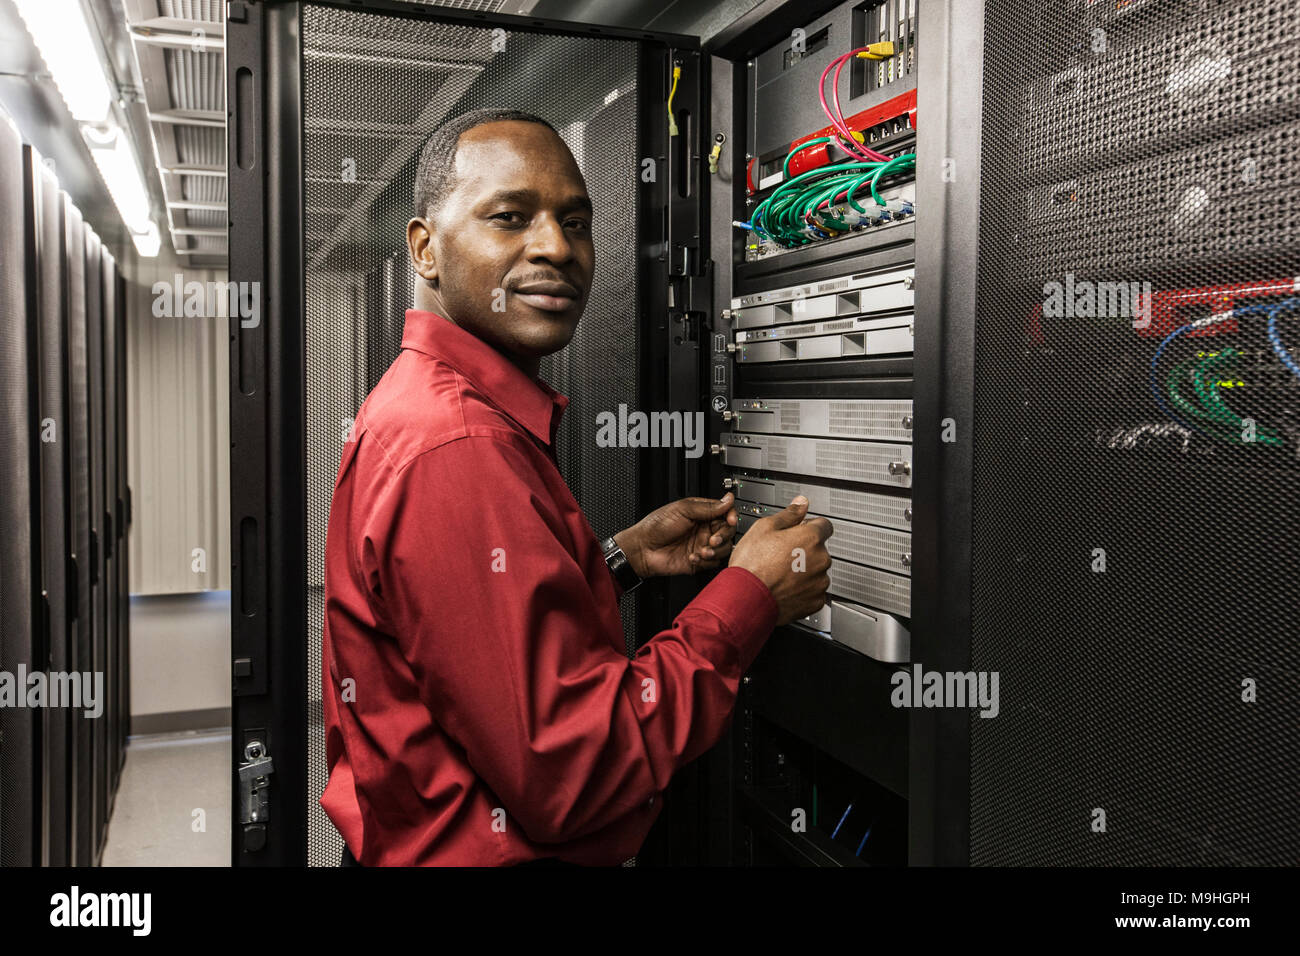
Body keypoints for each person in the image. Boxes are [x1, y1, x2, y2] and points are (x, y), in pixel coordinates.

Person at [320, 108, 832, 866]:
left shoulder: (428, 403)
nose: (556, 247)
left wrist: (617, 560)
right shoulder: (457, 444)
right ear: (425, 249)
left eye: (576, 221)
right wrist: (749, 599)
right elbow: (571, 774)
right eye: (510, 218)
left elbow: (473, 648)